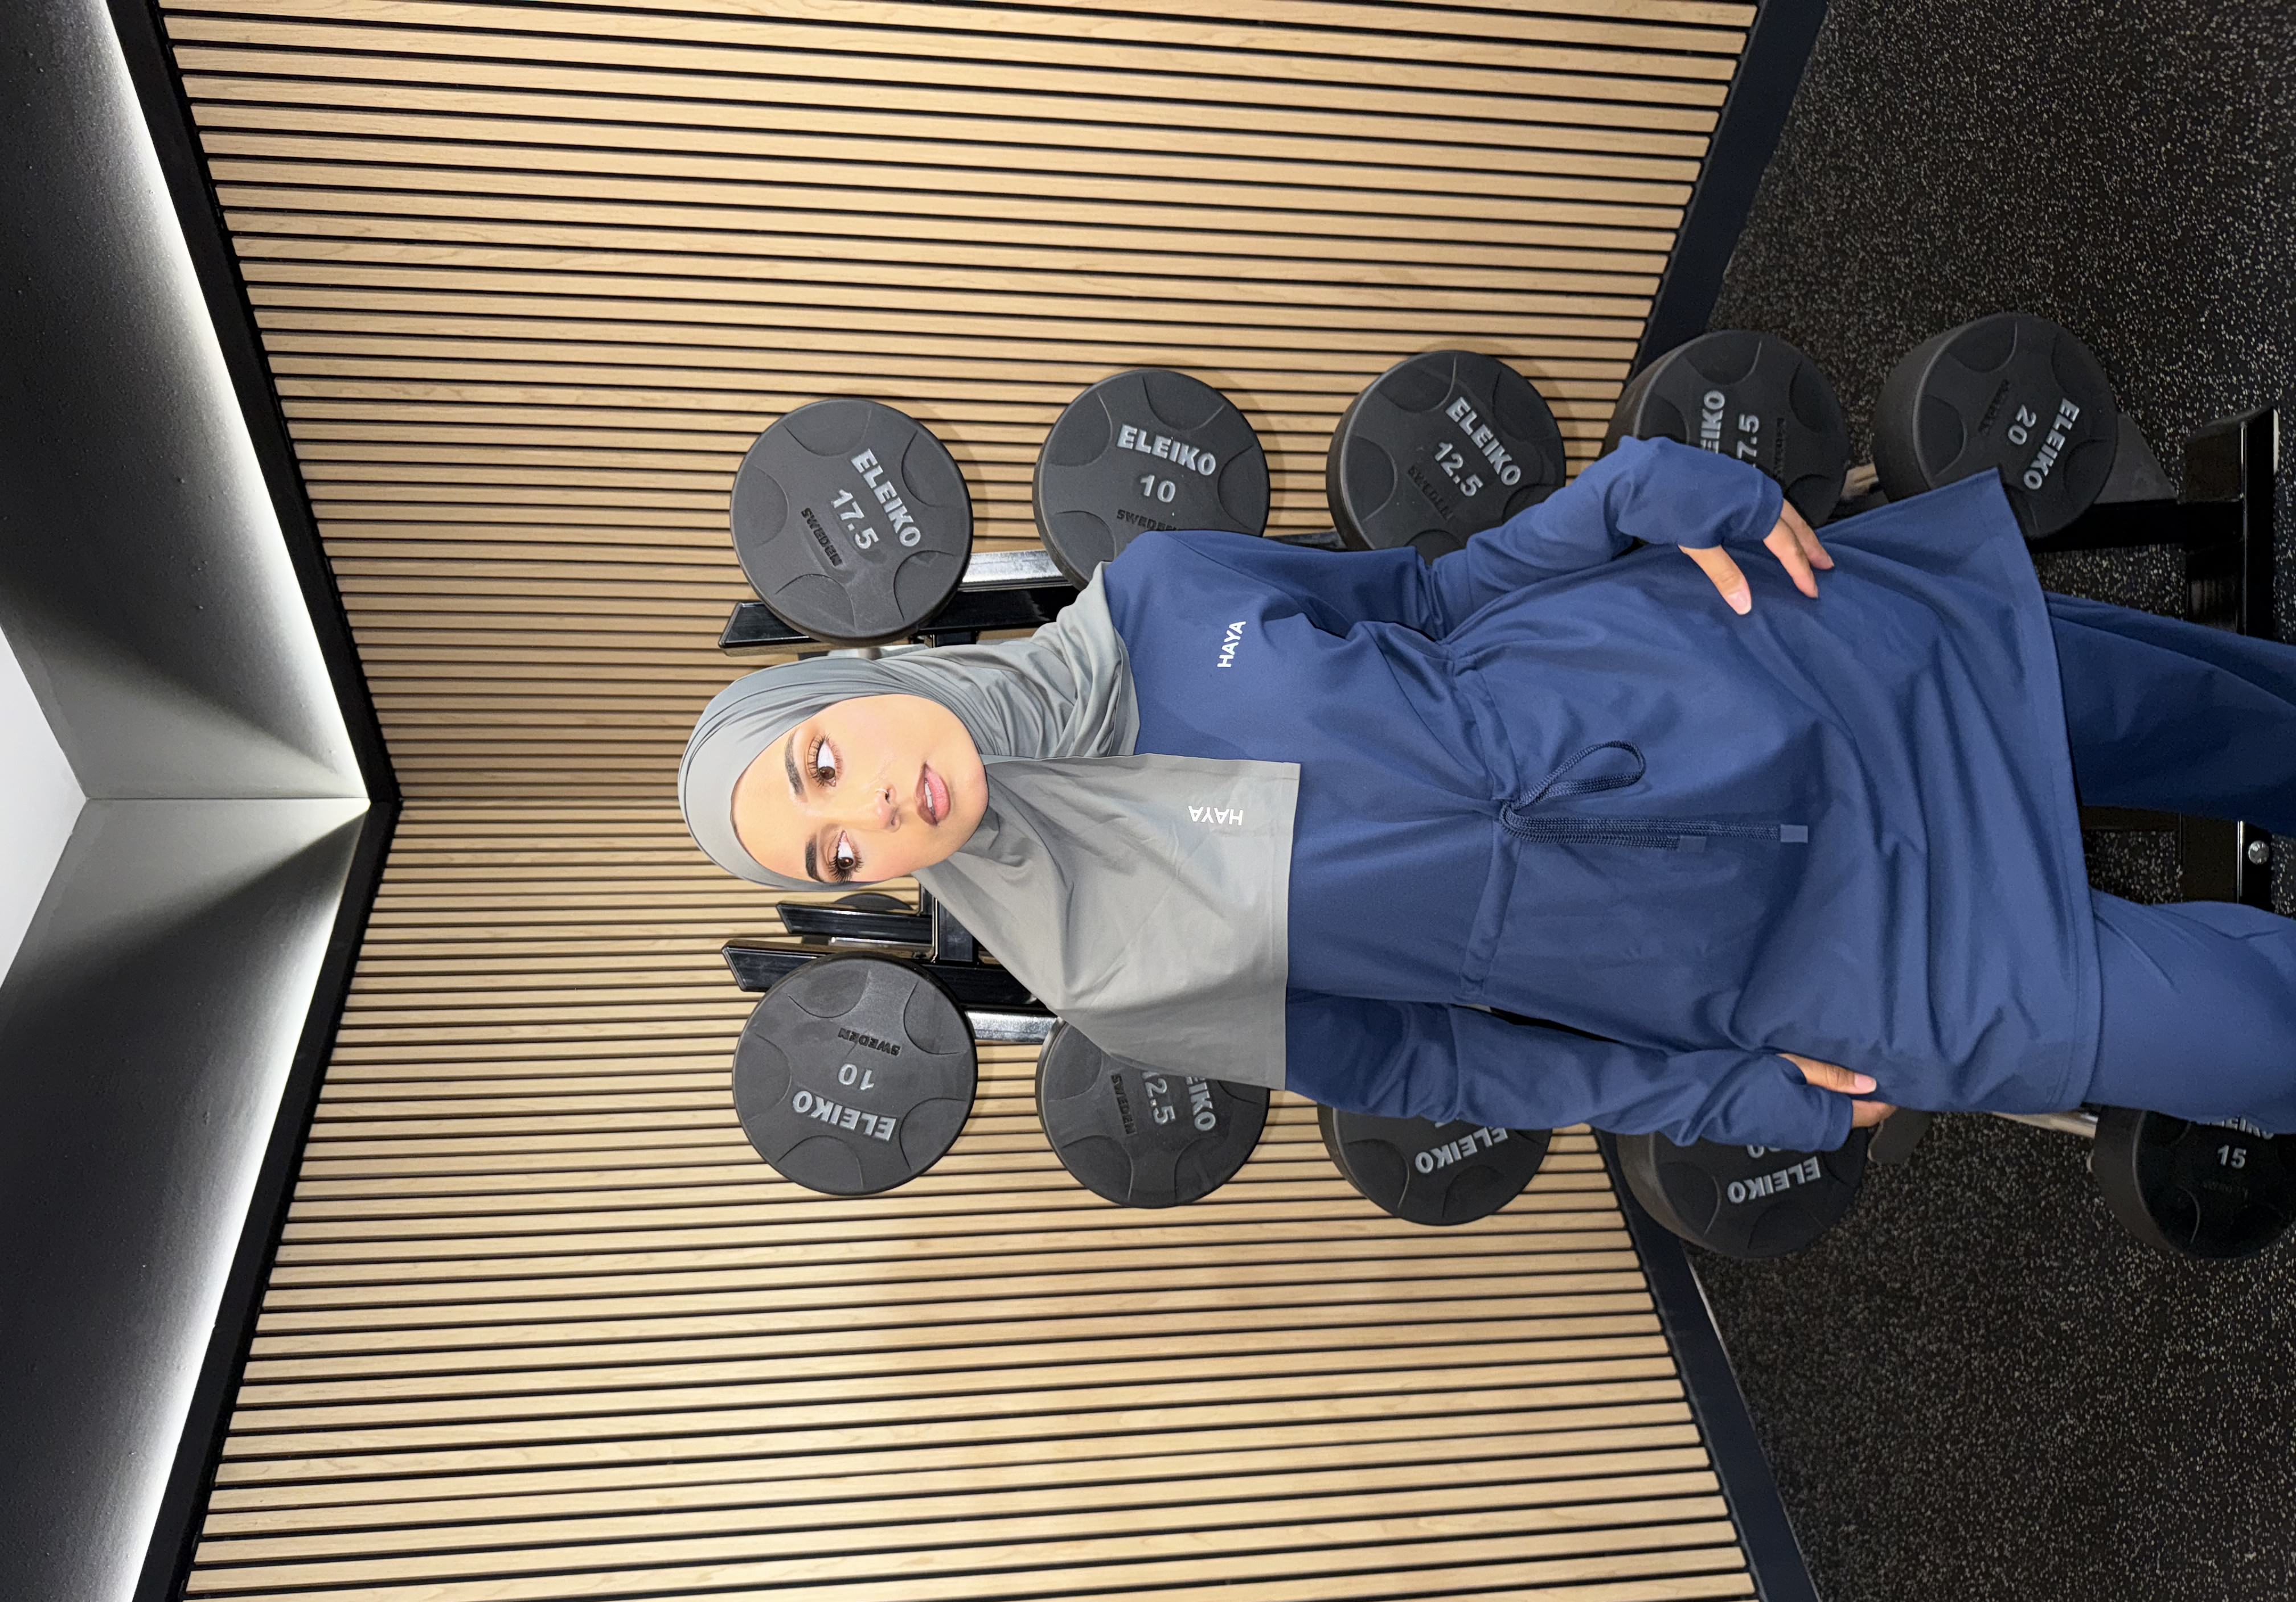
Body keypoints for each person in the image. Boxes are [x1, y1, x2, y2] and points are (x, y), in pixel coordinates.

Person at [680, 436, 2296, 1153]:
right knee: (2258, 1041)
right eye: (831, 847)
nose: (872, 811)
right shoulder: (1111, 978)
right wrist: (1727, 1096)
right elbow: (1441, 1063)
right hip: (1787, 958)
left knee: (2220, 723)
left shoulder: (1169, 590)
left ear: (850, 688)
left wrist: (1617, 501)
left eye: (825, 762)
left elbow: (1436, 599)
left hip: (1767, 668)